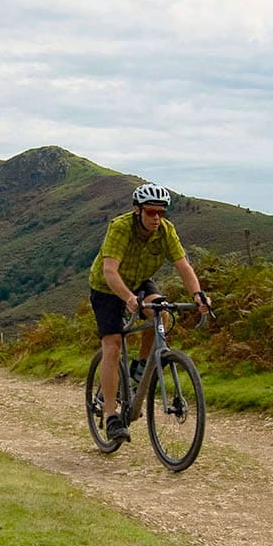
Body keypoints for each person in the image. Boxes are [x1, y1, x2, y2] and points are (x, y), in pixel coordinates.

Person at [89, 182, 211, 440]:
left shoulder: (166, 231)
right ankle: (111, 416)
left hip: (140, 280)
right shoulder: (121, 227)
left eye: (161, 213)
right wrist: (129, 299)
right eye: (151, 212)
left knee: (161, 313)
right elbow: (109, 270)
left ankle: (141, 366)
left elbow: (184, 267)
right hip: (107, 287)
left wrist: (198, 295)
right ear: (138, 211)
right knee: (112, 345)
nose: (156, 218)